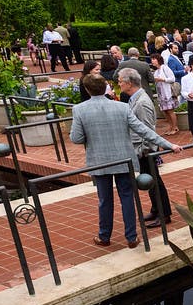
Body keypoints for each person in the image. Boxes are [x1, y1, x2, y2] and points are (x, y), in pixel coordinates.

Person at [71, 75, 181, 249]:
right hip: (124, 159)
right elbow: (144, 130)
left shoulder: (79, 109)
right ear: (105, 87)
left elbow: (76, 138)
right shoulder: (122, 107)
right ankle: (131, 237)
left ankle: (104, 236)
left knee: (104, 199)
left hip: (100, 161)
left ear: (87, 89)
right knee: (128, 198)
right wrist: (169, 144)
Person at [118, 69, 172, 228]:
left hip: (145, 151)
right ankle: (156, 210)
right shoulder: (135, 99)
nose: (119, 84)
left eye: (121, 81)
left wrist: (144, 150)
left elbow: (148, 130)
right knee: (149, 181)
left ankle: (164, 214)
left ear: (129, 83)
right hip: (142, 150)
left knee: (154, 182)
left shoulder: (141, 102)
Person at [150, 52, 179, 134]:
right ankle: (170, 126)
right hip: (161, 94)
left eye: (154, 59)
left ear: (158, 60)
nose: (152, 61)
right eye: (152, 59)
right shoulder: (156, 71)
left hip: (168, 93)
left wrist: (162, 79)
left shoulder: (165, 68)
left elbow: (172, 78)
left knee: (170, 111)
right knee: (165, 112)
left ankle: (175, 127)